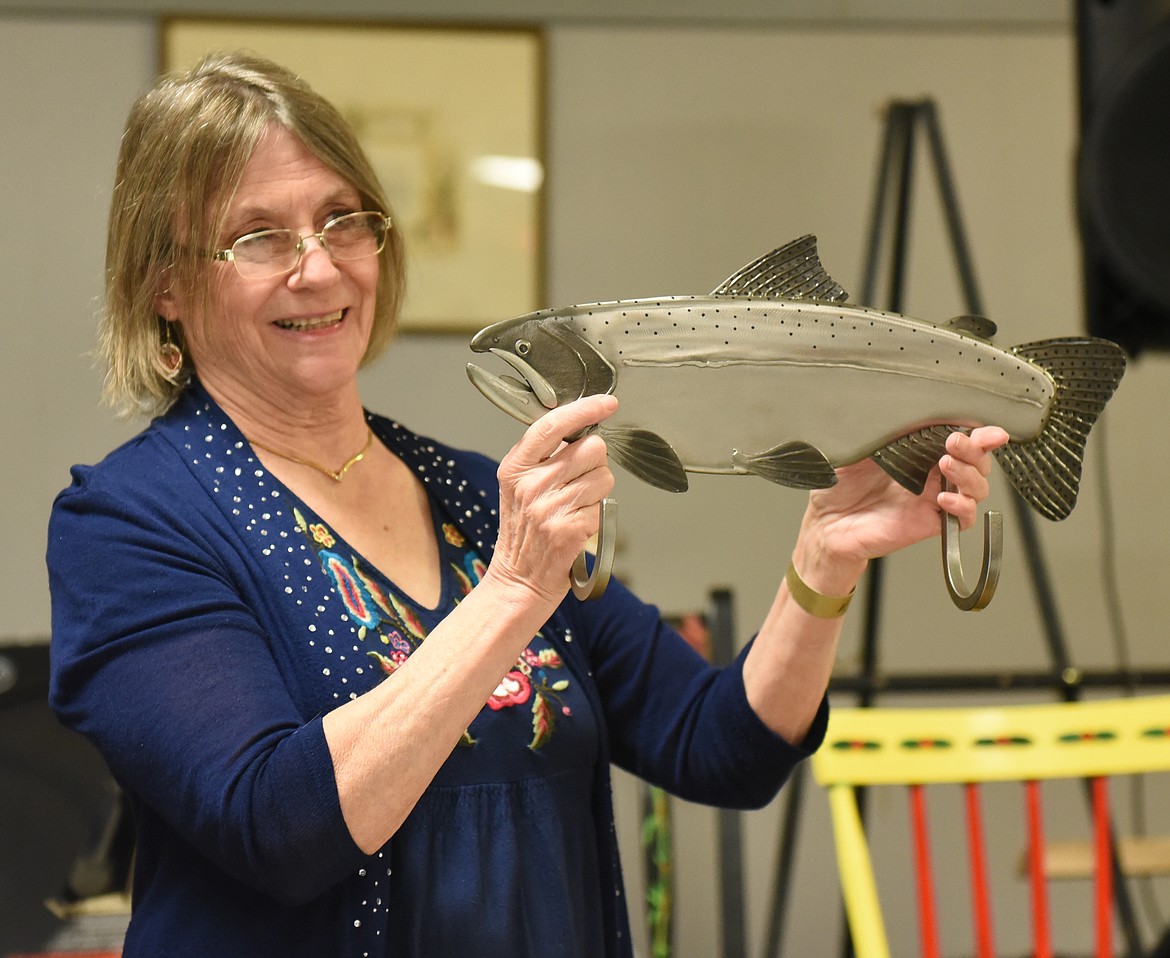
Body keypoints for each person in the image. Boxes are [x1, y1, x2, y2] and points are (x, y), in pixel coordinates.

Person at [46, 52, 1007, 958]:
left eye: (345, 221)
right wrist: (509, 590)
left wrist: (825, 558)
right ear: (164, 285)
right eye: (259, 237)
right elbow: (278, 823)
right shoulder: (131, 524)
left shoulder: (469, 492)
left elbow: (724, 746)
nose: (321, 267)